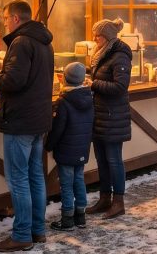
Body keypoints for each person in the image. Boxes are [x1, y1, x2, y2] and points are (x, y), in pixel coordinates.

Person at [0, 0, 55, 252]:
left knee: (18, 179)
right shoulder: (44, 41)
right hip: (38, 119)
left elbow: (13, 81)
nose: (4, 22)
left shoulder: (21, 42)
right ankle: (37, 230)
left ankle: (22, 234)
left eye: (5, 18)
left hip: (20, 120)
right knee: (35, 176)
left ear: (15, 18)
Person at [85, 18, 131, 219]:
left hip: (113, 116)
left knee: (114, 160)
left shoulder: (120, 56)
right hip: (99, 114)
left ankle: (118, 202)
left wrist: (93, 84)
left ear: (108, 36)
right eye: (94, 35)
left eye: (99, 35)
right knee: (102, 160)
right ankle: (105, 198)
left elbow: (120, 87)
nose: (95, 38)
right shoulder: (100, 54)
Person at [46, 62, 93, 232]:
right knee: (79, 180)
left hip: (66, 150)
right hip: (82, 149)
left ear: (65, 79)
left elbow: (58, 128)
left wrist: (49, 145)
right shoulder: (89, 99)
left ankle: (67, 219)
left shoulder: (64, 101)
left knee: (66, 184)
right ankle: (80, 216)